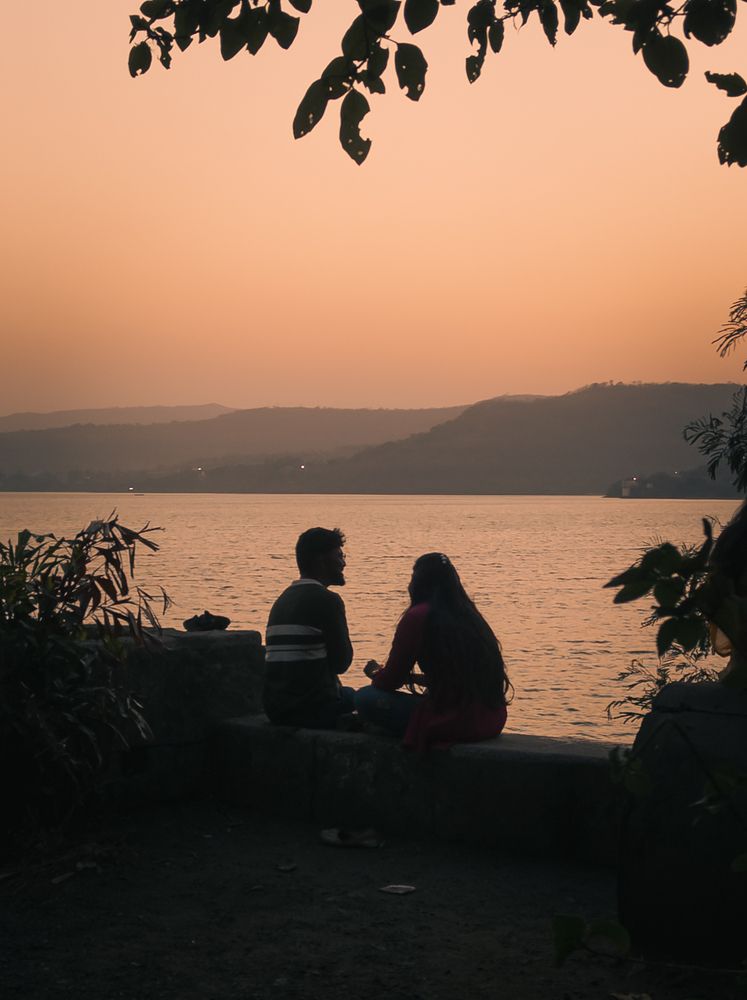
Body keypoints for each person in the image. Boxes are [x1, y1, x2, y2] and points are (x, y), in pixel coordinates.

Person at [355, 552, 510, 750]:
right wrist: (412, 679)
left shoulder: (418, 616)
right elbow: (456, 679)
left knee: (364, 698)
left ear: (418, 583)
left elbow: (390, 681)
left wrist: (376, 673)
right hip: (493, 719)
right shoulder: (469, 615)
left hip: (457, 721)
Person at [263, 527, 355, 728]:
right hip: (312, 709)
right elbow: (342, 662)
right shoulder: (327, 600)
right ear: (321, 560)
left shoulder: (283, 599)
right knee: (363, 699)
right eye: (339, 556)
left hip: (276, 709)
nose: (343, 563)